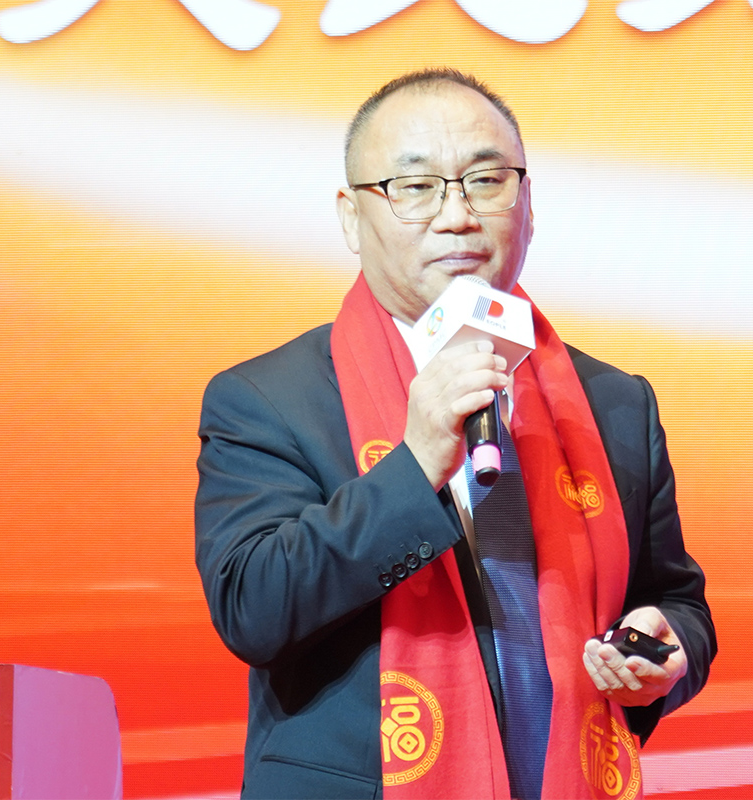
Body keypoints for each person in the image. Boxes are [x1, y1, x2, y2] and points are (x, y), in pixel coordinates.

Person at [195, 68, 715, 800]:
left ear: (527, 205)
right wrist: (414, 466)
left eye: (485, 181)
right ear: (351, 218)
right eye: (415, 187)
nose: (457, 216)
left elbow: (678, 602)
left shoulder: (612, 402)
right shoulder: (268, 399)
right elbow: (254, 609)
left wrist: (665, 653)